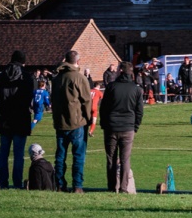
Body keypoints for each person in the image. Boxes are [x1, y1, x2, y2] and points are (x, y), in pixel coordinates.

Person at [0, 50, 35, 189]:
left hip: (5, 119)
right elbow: (28, 98)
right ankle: (17, 182)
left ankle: (2, 182)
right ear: (23, 62)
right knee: (18, 154)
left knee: (3, 153)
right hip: (20, 119)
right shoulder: (27, 78)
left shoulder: (1, 77)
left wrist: (0, 112)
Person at [51, 50, 92, 194]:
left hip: (60, 121)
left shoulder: (57, 78)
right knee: (78, 155)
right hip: (76, 122)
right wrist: (88, 119)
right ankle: (77, 185)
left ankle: (59, 184)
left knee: (60, 156)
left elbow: (53, 100)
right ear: (78, 61)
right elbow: (87, 101)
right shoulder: (79, 78)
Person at [99, 62, 143, 193]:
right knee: (125, 159)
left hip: (112, 126)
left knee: (111, 158)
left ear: (121, 71)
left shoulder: (112, 87)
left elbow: (104, 108)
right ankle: (123, 187)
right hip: (128, 127)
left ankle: (112, 187)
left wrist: (104, 124)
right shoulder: (136, 89)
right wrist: (135, 126)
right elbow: (139, 111)